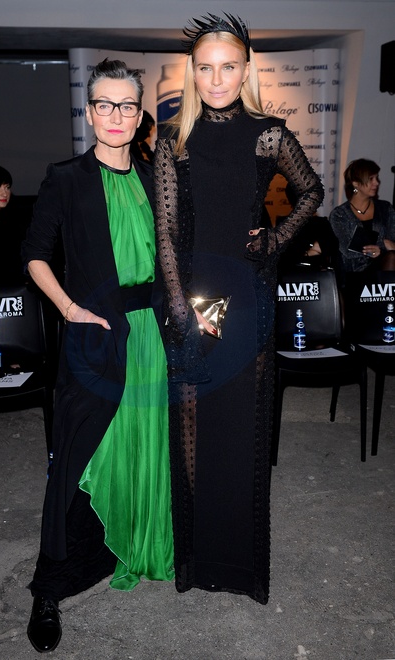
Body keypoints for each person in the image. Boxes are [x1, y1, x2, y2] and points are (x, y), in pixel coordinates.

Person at [153, 13, 324, 604]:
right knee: (193, 428)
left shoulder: (268, 135)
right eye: (206, 68)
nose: (217, 78)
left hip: (247, 296)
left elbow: (312, 192)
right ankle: (198, 561)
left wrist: (277, 239)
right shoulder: (173, 140)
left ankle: (241, 567)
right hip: (191, 297)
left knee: (243, 431)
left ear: (246, 70)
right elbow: (166, 233)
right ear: (192, 72)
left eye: (228, 67)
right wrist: (179, 310)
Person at [22, 59, 174, 653]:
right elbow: (35, 254)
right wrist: (68, 308)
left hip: (151, 335)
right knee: (76, 457)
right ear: (89, 113)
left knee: (143, 446)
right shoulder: (66, 178)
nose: (115, 115)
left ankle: (133, 546)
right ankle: (48, 588)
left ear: (139, 117)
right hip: (94, 334)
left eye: (126, 106)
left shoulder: (155, 178)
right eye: (104, 104)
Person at [329, 159, 395, 284]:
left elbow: (392, 243)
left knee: (391, 257)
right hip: (354, 273)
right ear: (356, 183)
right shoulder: (339, 214)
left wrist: (380, 249)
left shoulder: (385, 208)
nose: (376, 183)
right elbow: (347, 250)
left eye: (376, 178)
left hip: (384, 266)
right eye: (371, 179)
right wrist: (381, 244)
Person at [277, 183, 339, 272]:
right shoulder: (283, 226)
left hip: (319, 277)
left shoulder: (321, 224)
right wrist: (310, 252)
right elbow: (283, 260)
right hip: (293, 276)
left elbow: (333, 252)